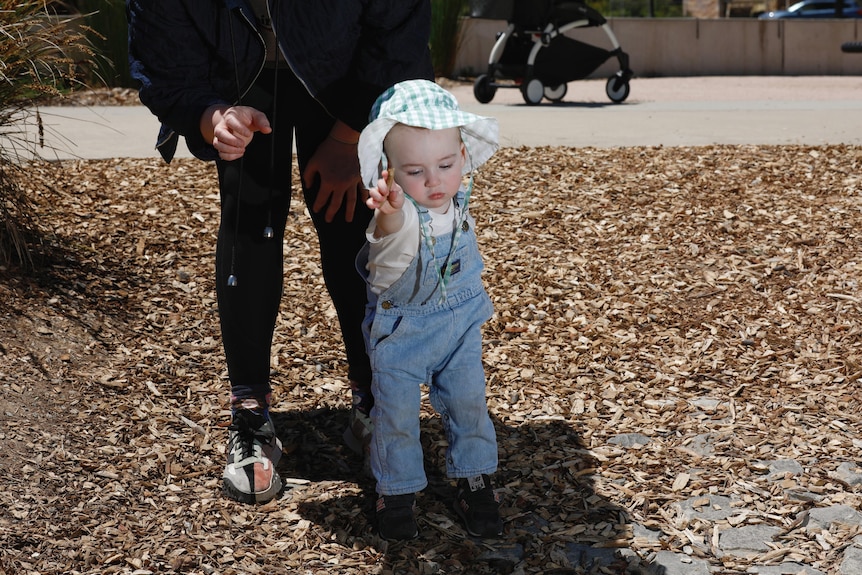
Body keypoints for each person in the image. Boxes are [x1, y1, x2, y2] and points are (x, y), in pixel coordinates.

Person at [125, 1, 433, 504]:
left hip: (347, 69)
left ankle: (375, 404)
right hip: (236, 79)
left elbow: (396, 26)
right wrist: (210, 119)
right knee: (251, 223)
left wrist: (350, 134)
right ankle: (250, 415)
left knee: (351, 226)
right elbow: (163, 61)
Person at [356, 80, 503, 540]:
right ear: (389, 173)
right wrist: (391, 213)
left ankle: (474, 477)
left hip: (460, 326)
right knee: (395, 415)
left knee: (469, 403)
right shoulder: (397, 215)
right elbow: (387, 254)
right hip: (403, 331)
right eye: (415, 171)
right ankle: (396, 491)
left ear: (463, 156)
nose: (434, 181)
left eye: (444, 165)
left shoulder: (459, 200)